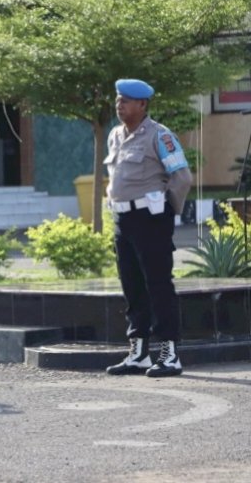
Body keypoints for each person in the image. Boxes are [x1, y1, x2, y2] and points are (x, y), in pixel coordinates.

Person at [105, 79, 193, 378]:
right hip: (122, 220)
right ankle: (139, 352)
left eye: (126, 100)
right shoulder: (115, 135)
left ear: (142, 105)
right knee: (132, 287)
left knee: (158, 285)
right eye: (118, 99)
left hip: (150, 219)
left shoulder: (160, 136)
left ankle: (169, 353)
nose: (120, 105)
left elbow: (182, 177)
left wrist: (167, 213)